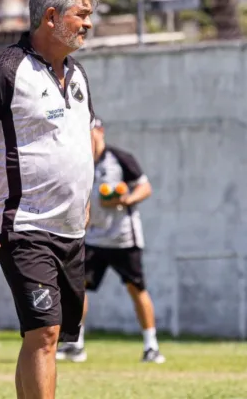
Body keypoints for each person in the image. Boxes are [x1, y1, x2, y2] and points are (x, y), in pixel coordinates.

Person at [0, 0, 102, 398]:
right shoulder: (6, 70)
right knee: (44, 332)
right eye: (81, 14)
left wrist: (84, 199)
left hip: (70, 229)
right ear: (51, 17)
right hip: (25, 226)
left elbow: (80, 140)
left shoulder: (78, 75)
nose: (89, 23)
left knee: (49, 335)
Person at [55, 117, 166, 364]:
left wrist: (125, 199)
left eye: (91, 131)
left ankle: (151, 346)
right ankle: (75, 344)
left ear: (100, 131)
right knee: (78, 288)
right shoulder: (80, 161)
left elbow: (145, 188)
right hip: (93, 238)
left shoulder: (120, 158)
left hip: (123, 238)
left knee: (136, 288)